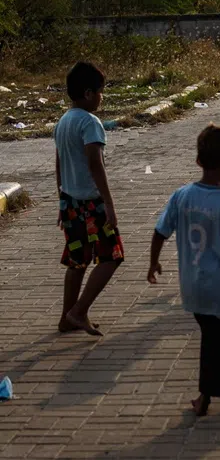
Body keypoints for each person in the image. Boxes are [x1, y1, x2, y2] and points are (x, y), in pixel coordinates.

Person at [147, 124, 220, 417]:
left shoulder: (181, 196)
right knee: (215, 341)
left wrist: (153, 262)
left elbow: (159, 232)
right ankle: (205, 397)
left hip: (192, 284)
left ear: (198, 161)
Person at [55, 62, 124, 337]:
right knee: (112, 257)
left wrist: (61, 199)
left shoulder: (62, 122)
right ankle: (79, 310)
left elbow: (58, 163)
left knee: (77, 260)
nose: (101, 97)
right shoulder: (89, 122)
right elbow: (96, 164)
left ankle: (66, 318)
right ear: (87, 93)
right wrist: (108, 202)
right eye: (99, 92)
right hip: (91, 204)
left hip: (71, 203)